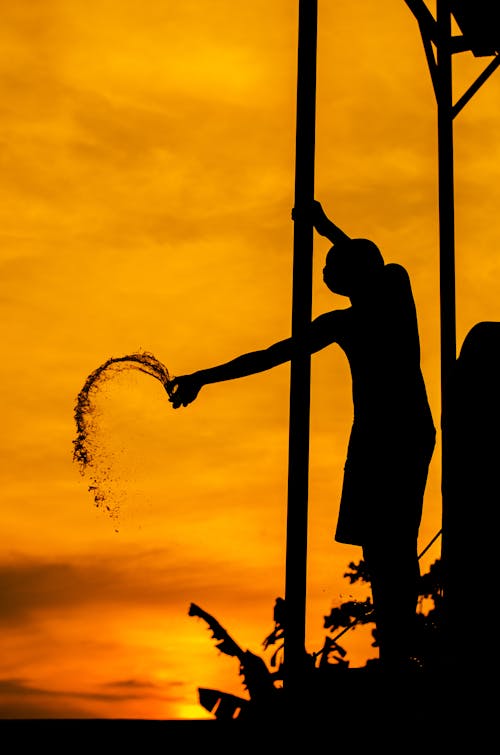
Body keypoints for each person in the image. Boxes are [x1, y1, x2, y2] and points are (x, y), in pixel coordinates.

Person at [167, 201, 436, 672]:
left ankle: (401, 640)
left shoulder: (395, 284)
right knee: (379, 545)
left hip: (404, 429)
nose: (329, 274)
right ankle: (395, 641)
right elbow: (272, 355)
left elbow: (365, 261)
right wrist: (204, 378)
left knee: (396, 539)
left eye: (334, 268)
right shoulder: (342, 322)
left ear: (352, 273)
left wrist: (325, 226)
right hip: (374, 434)